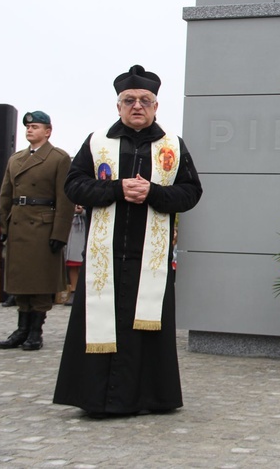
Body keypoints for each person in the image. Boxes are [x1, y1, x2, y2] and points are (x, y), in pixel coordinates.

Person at [53, 65, 203, 418]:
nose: (137, 106)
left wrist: (153, 192)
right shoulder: (97, 142)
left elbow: (191, 192)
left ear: (156, 106)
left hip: (148, 259)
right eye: (129, 100)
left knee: (145, 328)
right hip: (104, 255)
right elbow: (73, 185)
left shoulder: (172, 146)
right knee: (99, 322)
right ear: (118, 106)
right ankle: (95, 399)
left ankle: (151, 397)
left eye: (145, 100)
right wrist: (116, 188)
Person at [0, 110, 73, 351]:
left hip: (42, 226)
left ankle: (35, 332)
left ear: (48, 131)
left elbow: (65, 199)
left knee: (39, 283)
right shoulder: (15, 159)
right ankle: (21, 329)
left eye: (36, 127)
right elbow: (5, 196)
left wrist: (59, 233)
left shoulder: (58, 158)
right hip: (18, 223)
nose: (30, 130)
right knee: (20, 282)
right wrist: (0, 225)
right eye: (28, 127)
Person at [64, 204, 87, 305]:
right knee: (72, 262)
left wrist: (83, 211)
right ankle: (74, 290)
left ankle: (85, 291)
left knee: (86, 263)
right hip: (72, 226)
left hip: (87, 226)